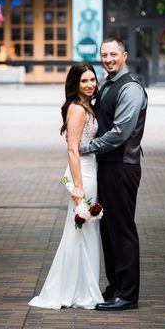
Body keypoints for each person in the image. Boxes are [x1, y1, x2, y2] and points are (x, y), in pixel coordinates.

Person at [28, 63, 104, 309]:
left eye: (93, 79)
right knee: (81, 232)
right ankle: (79, 291)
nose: (90, 84)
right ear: (75, 84)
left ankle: (78, 288)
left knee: (81, 232)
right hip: (83, 175)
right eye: (84, 81)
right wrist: (79, 187)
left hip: (83, 172)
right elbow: (72, 149)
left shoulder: (85, 106)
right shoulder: (78, 110)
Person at [80, 38, 148, 311]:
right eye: (104, 55)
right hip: (107, 166)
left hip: (122, 167)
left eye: (113, 54)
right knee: (107, 228)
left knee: (122, 230)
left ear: (125, 55)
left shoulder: (130, 88)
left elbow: (120, 132)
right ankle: (115, 287)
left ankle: (128, 295)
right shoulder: (107, 84)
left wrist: (86, 148)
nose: (108, 59)